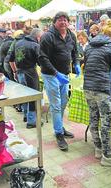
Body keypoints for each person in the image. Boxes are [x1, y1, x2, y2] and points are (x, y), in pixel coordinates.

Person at [83, 19, 111, 167]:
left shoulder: (89, 45)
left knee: (94, 118)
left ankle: (98, 149)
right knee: (106, 122)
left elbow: (86, 64)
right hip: (101, 88)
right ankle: (107, 156)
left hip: (88, 87)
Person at [39, 11, 80, 151]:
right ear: (54, 22)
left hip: (65, 74)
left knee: (64, 103)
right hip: (51, 75)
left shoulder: (70, 35)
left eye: (65, 20)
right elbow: (42, 58)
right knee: (56, 105)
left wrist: (76, 64)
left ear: (68, 22)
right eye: (60, 20)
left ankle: (59, 126)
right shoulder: (47, 37)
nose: (63, 22)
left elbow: (75, 52)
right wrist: (56, 74)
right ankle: (59, 133)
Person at [10, 28, 43, 129]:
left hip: (19, 72)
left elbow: (10, 59)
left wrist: (15, 71)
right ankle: (31, 121)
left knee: (23, 95)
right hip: (30, 73)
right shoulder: (35, 45)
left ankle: (25, 116)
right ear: (38, 37)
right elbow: (40, 62)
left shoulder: (18, 43)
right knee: (33, 96)